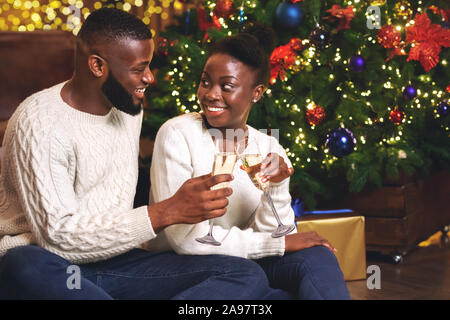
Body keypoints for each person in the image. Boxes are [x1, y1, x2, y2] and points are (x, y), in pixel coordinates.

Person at [0, 8, 289, 300]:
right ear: (98, 66)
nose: (150, 78)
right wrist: (166, 211)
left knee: (243, 274)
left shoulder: (126, 108)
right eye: (139, 69)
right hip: (53, 264)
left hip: (115, 262)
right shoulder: (40, 123)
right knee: (24, 263)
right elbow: (57, 238)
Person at [148, 22, 351, 300]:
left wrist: (277, 187)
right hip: (186, 265)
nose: (210, 94)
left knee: (316, 256)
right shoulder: (177, 134)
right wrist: (275, 245)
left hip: (246, 260)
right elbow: (185, 239)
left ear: (256, 93)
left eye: (226, 86)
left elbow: (274, 232)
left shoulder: (267, 145)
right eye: (205, 81)